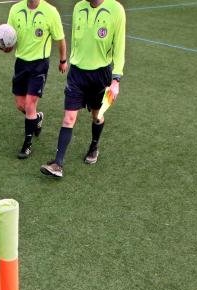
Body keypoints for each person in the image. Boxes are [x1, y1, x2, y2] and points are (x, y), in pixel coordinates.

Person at [40, 0, 125, 178]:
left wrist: (115, 80)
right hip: (77, 73)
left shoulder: (116, 10)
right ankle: (58, 163)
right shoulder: (79, 7)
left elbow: (119, 48)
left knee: (97, 116)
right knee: (69, 117)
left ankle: (94, 146)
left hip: (100, 74)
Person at [4, 0, 67, 159]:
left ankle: (27, 144)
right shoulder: (15, 10)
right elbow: (11, 38)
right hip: (21, 63)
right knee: (20, 105)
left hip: (40, 64)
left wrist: (63, 60)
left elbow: (60, 39)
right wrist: (7, 47)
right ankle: (37, 118)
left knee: (30, 103)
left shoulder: (51, 11)